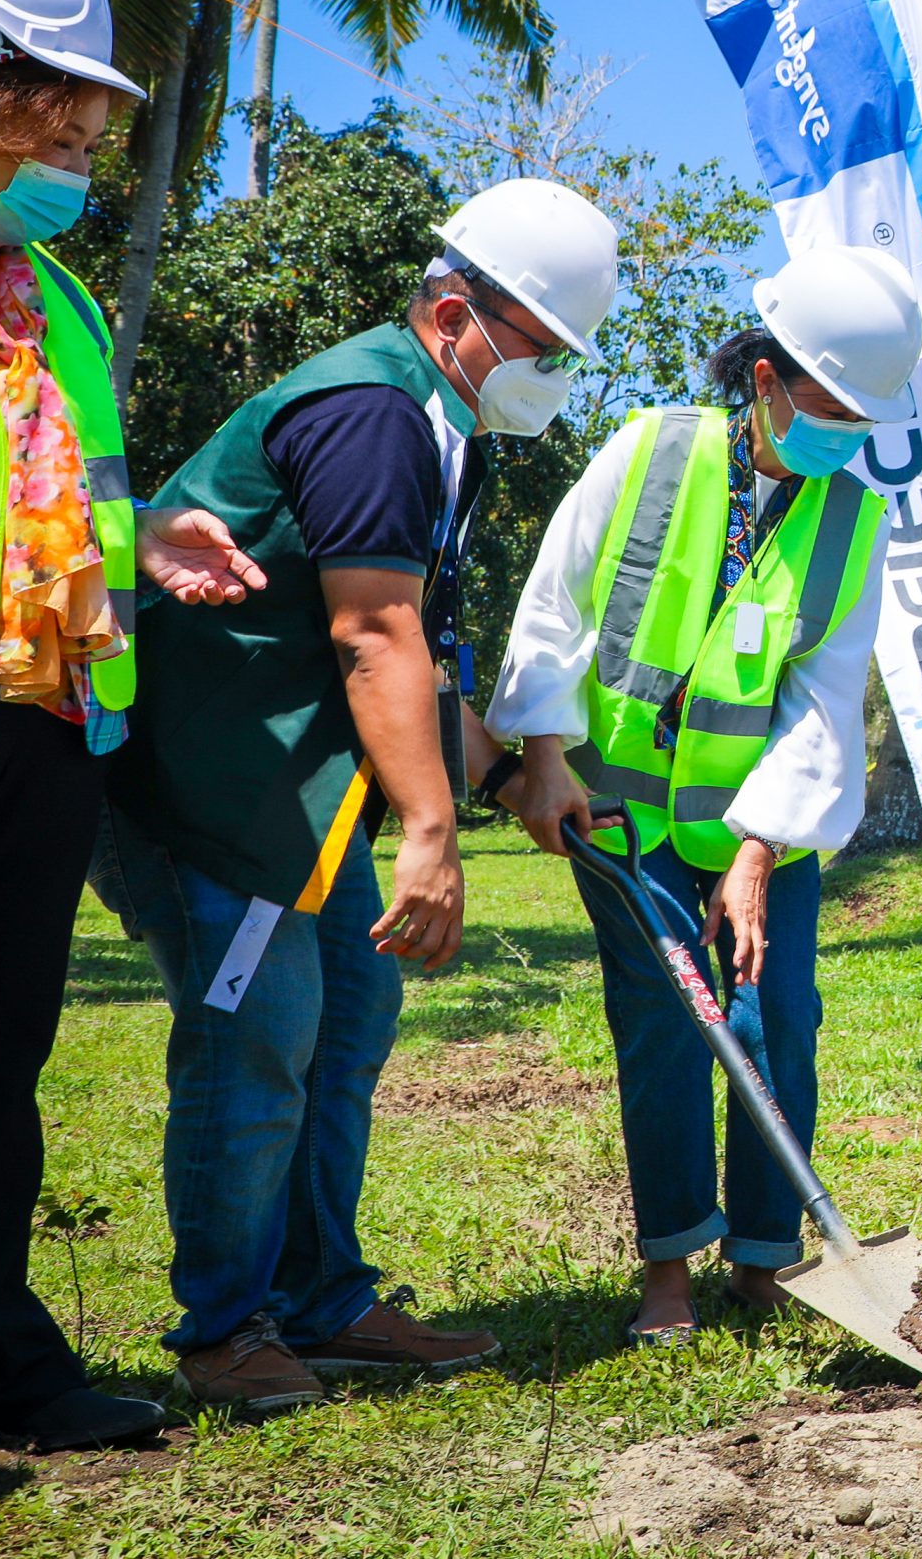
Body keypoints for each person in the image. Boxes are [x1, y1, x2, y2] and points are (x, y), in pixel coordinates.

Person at [92, 176, 618, 1412]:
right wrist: (431, 831)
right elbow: (373, 632)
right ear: (452, 311)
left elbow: (415, 649)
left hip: (297, 798)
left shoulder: (435, 423)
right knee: (258, 1034)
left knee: (346, 1018)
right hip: (212, 787)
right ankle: (225, 1327)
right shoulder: (376, 410)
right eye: (536, 344)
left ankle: (324, 1297)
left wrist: (495, 772)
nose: (546, 373)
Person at [0, 0, 263, 1452]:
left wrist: (151, 534)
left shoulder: (44, 288)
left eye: (82, 126)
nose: (72, 153)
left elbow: (55, 492)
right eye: (49, 122)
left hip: (36, 723)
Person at [483, 247, 920, 1343]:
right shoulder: (649, 450)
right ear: (765, 378)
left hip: (757, 823)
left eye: (862, 419)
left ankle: (768, 1260)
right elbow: (553, 609)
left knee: (779, 1023)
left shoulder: (851, 522)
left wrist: (761, 846)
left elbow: (822, 703)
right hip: (622, 812)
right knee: (666, 1028)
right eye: (828, 406)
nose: (843, 435)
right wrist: (544, 757)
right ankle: (670, 1266)